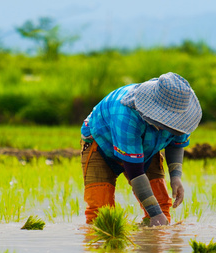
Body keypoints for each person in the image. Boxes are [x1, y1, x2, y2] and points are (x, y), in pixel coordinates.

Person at [80, 72, 202, 225]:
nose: (169, 127)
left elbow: (176, 144)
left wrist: (176, 177)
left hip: (146, 147)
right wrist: (156, 215)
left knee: (161, 206)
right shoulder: (126, 115)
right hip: (102, 144)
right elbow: (135, 172)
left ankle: (152, 246)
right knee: (101, 215)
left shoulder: (181, 113)